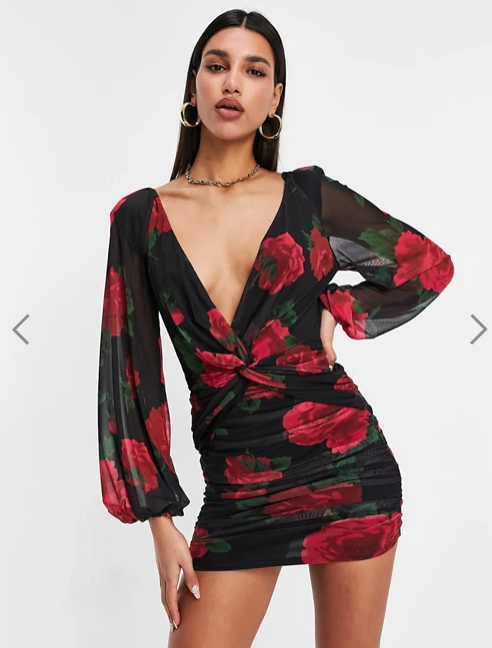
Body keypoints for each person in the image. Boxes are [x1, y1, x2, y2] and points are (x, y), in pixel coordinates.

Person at [97, 8, 454, 648]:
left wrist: (341, 308)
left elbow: (425, 265)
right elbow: (131, 376)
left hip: (348, 467)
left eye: (254, 70)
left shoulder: (308, 198)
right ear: (194, 85)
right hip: (235, 491)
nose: (233, 82)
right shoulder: (140, 218)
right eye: (217, 65)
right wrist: (160, 521)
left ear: (275, 97)